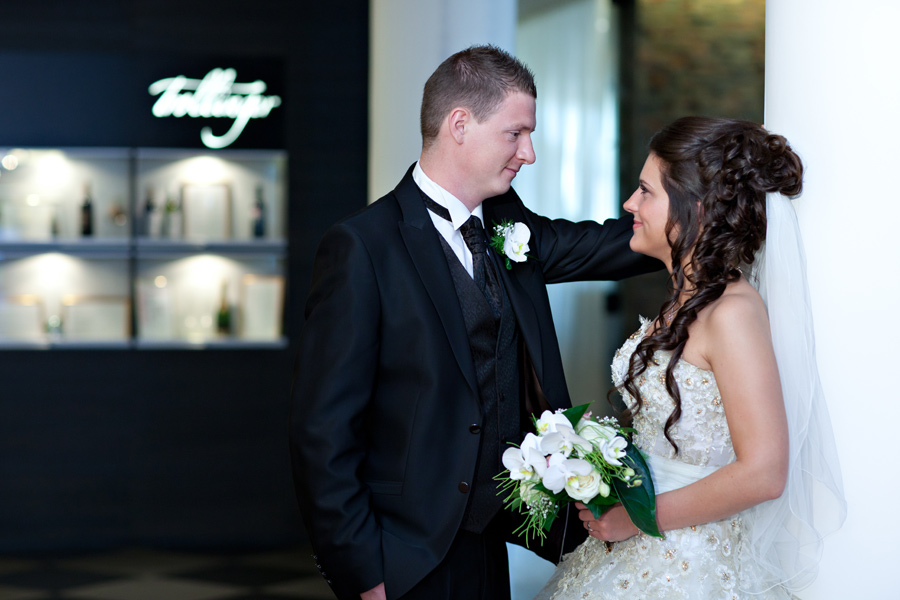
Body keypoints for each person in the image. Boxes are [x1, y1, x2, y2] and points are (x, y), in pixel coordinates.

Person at [289, 45, 660, 600]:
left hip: (493, 542)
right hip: (405, 554)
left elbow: (608, 245)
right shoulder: (362, 248)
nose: (528, 153)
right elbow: (323, 433)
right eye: (515, 134)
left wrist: (692, 212)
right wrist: (363, 572)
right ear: (459, 124)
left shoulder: (511, 226)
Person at [534, 117, 846, 599]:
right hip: (643, 549)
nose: (629, 205)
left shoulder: (732, 312)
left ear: (694, 208)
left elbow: (764, 472)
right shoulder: (686, 299)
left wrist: (637, 518)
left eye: (645, 191)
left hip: (690, 563)